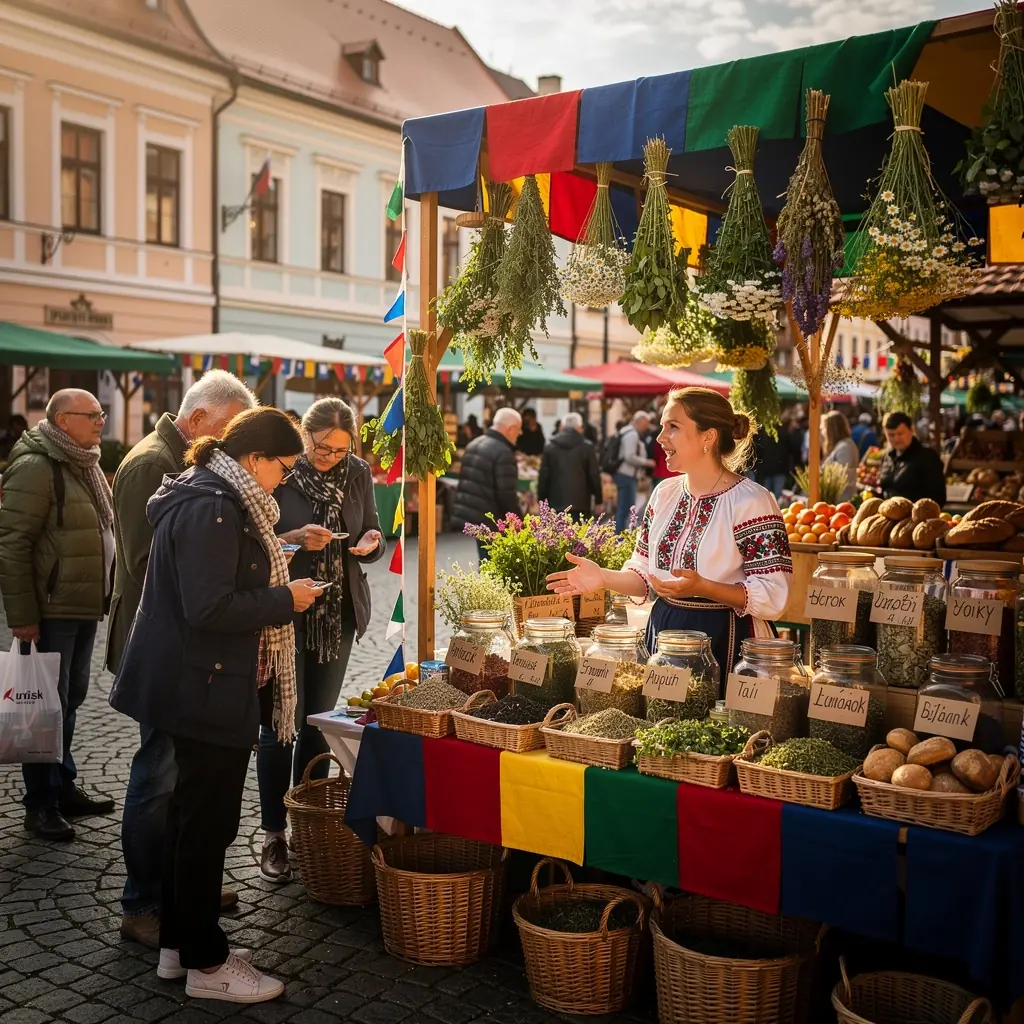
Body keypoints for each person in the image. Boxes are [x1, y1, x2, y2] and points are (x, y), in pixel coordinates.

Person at [108, 408, 323, 1004]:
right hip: (203, 686)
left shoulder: (215, 494)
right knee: (207, 824)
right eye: (284, 467)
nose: (285, 479)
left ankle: (180, 946)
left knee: (191, 819)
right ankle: (208, 963)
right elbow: (210, 607)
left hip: (200, 682)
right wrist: (286, 599)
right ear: (254, 459)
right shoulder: (217, 504)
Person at [109, 370, 255, 948]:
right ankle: (142, 901)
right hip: (165, 649)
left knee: (181, 778)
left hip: (182, 648)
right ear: (197, 420)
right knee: (157, 776)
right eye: (228, 430)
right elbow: (153, 570)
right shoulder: (152, 464)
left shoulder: (181, 458)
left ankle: (180, 885)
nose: (233, 447)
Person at [546, 387, 791, 678]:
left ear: (708, 437)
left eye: (673, 427)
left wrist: (705, 588)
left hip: (725, 638)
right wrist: (603, 577)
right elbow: (645, 573)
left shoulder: (752, 502)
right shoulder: (664, 493)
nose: (660, 438)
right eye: (662, 427)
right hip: (664, 633)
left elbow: (775, 596)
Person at [258, 398, 385, 884]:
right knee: (278, 727)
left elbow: (370, 526)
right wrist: (293, 537)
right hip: (284, 613)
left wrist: (371, 542)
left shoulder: (356, 472)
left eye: (339, 449)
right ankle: (273, 834)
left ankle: (306, 826)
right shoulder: (282, 467)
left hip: (337, 617)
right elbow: (260, 537)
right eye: (322, 447)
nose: (330, 456)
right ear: (304, 435)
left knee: (315, 722)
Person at [0, 389, 115, 841]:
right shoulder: (37, 465)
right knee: (44, 708)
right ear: (63, 420)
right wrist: (23, 616)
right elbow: (12, 545)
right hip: (51, 609)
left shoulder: (80, 461)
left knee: (69, 700)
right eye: (92, 415)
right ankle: (40, 804)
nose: (100, 421)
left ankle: (62, 784)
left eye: (101, 414)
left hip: (82, 603)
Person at [451, 408, 522, 562]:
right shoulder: (503, 452)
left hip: (476, 516)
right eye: (519, 429)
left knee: (485, 561)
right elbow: (506, 495)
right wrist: (519, 522)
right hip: (492, 519)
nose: (520, 434)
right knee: (493, 565)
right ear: (511, 429)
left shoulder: (474, 444)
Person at [537, 412, 602, 521]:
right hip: (581, 503)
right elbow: (594, 475)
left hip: (555, 502)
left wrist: (541, 500)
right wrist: (598, 500)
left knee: (557, 536)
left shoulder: (550, 446)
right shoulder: (587, 447)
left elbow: (544, 476)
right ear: (580, 428)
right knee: (580, 535)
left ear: (562, 427)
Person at [879, 411, 946, 506]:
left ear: (911, 430)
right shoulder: (886, 457)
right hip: (889, 515)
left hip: (917, 518)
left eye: (900, 433)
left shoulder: (927, 457)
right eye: (891, 435)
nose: (896, 439)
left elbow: (938, 498)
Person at [612, 411, 655, 533]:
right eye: (645, 424)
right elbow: (629, 456)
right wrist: (646, 462)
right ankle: (620, 536)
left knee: (624, 507)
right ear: (639, 422)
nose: (646, 427)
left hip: (625, 474)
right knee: (626, 508)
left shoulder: (627, 431)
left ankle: (620, 534)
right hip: (627, 475)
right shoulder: (632, 434)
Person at [821, 410, 859, 502]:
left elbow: (840, 476)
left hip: (842, 500)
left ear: (831, 429)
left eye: (824, 428)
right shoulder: (843, 445)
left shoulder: (844, 447)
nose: (823, 432)